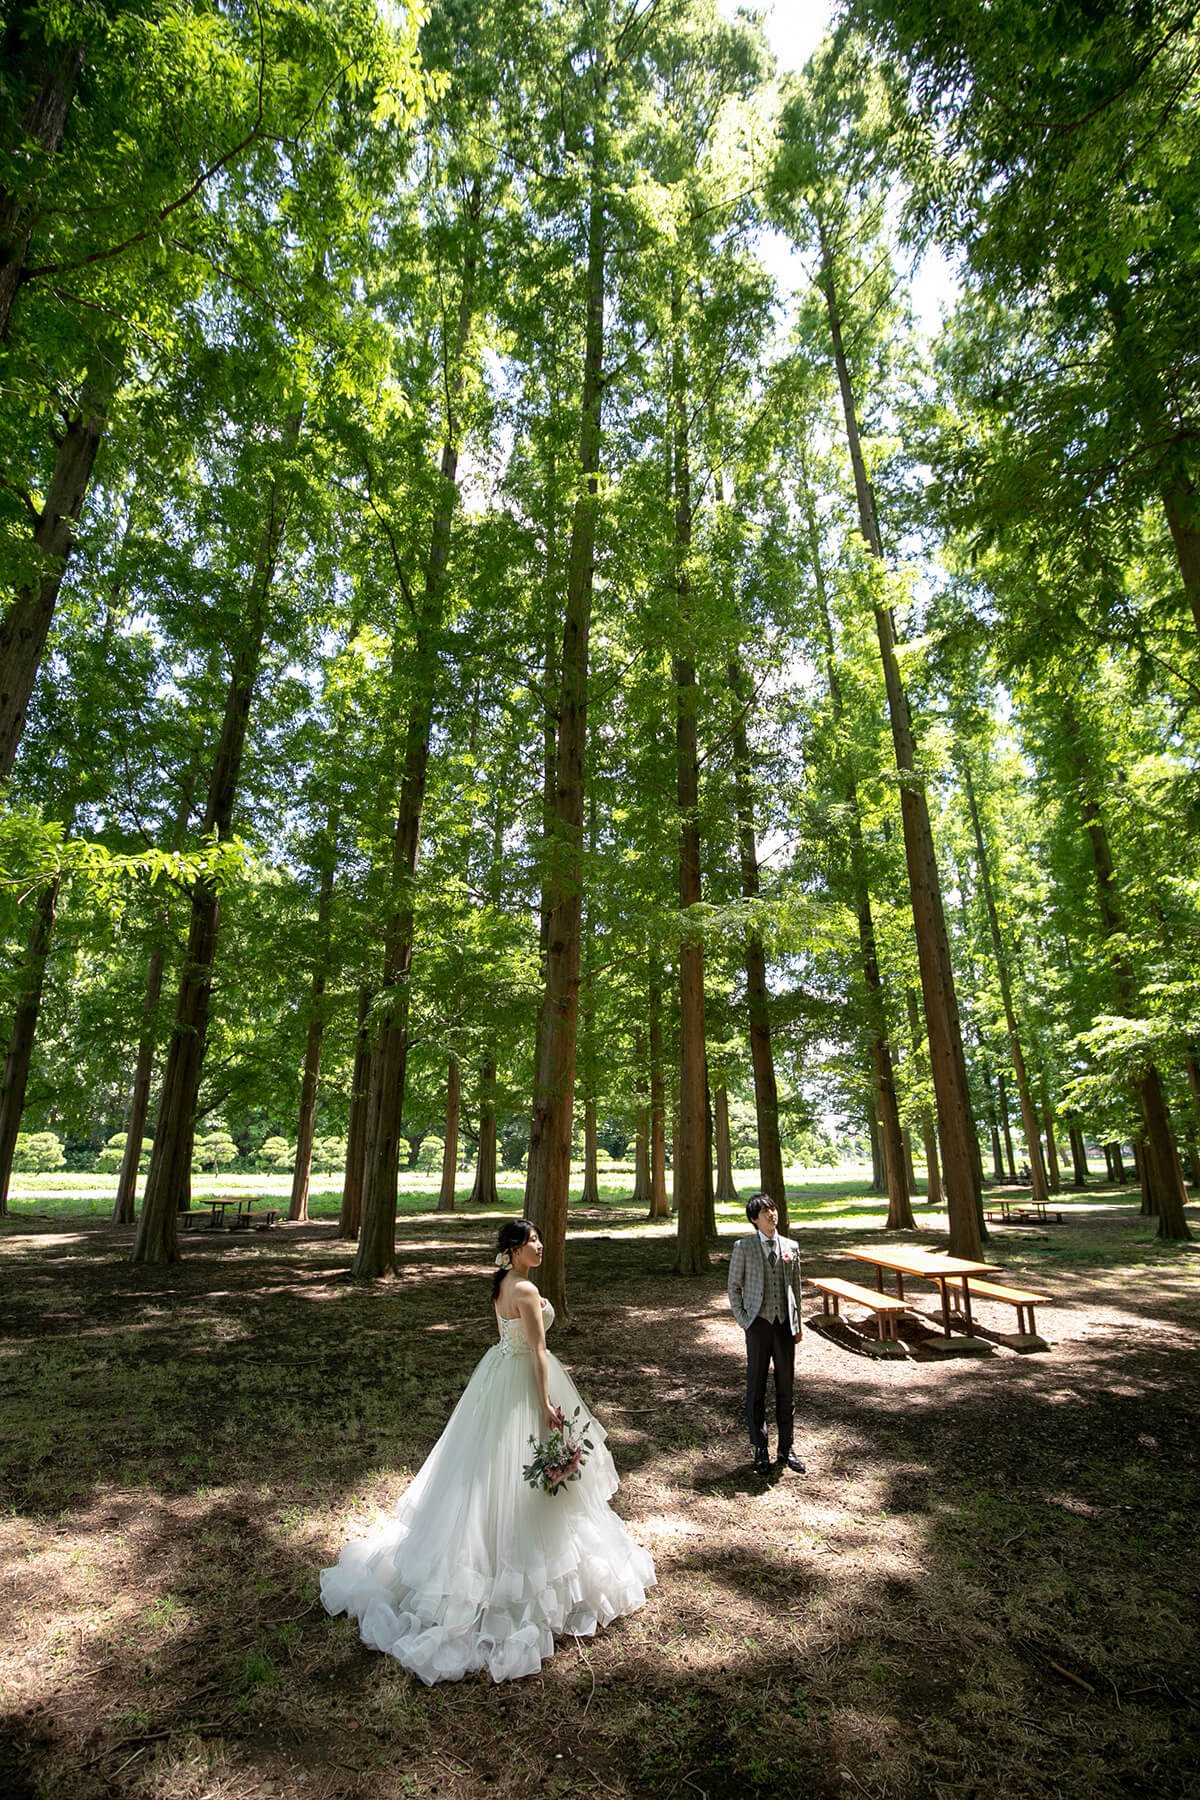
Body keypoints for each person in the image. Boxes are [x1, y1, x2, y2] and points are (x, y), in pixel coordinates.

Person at [320, 1219, 655, 1684]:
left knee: (488, 1472)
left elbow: (508, 1338)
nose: (541, 1246)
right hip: (522, 1381)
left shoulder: (502, 1283)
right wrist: (545, 1403)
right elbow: (538, 1351)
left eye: (540, 1238)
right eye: (532, 1242)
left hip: (496, 1374)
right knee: (522, 1475)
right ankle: (518, 1578)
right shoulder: (525, 1292)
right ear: (514, 1251)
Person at [726, 1194, 805, 1477]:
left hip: (784, 1325)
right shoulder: (743, 1247)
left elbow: (795, 1289)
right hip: (758, 1325)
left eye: (772, 1209)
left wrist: (798, 1324)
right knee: (756, 1387)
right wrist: (745, 1320)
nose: (772, 1214)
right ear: (754, 1219)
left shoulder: (791, 1247)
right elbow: (733, 1287)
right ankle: (760, 1447)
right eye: (764, 1211)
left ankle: (787, 1447)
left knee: (787, 1387)